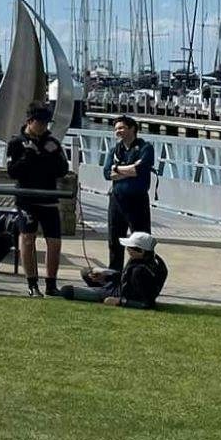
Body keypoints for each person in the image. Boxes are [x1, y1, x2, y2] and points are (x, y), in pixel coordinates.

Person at [5, 105, 68, 295]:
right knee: (27, 239)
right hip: (27, 198)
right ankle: (32, 284)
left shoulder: (52, 143)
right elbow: (13, 172)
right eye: (40, 123)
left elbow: (62, 170)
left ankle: (51, 284)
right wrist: (29, 154)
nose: (43, 127)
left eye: (46, 123)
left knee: (54, 242)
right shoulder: (16, 143)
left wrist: (49, 155)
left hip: (49, 198)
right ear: (30, 121)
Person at [103, 115, 156, 272]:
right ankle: (115, 275)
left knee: (141, 240)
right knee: (114, 239)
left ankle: (143, 272)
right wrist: (129, 169)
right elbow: (107, 173)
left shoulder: (146, 148)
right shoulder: (114, 151)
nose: (117, 131)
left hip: (137, 200)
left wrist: (117, 169)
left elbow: (139, 170)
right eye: (116, 129)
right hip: (117, 200)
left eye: (121, 128)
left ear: (132, 128)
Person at [61, 231, 168, 307]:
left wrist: (119, 301)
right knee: (86, 272)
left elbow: (147, 303)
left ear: (141, 251)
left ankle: (96, 292)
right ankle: (97, 284)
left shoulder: (141, 271)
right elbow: (126, 276)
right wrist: (106, 276)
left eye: (130, 248)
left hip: (117, 294)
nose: (127, 250)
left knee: (67, 291)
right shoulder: (145, 259)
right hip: (119, 286)